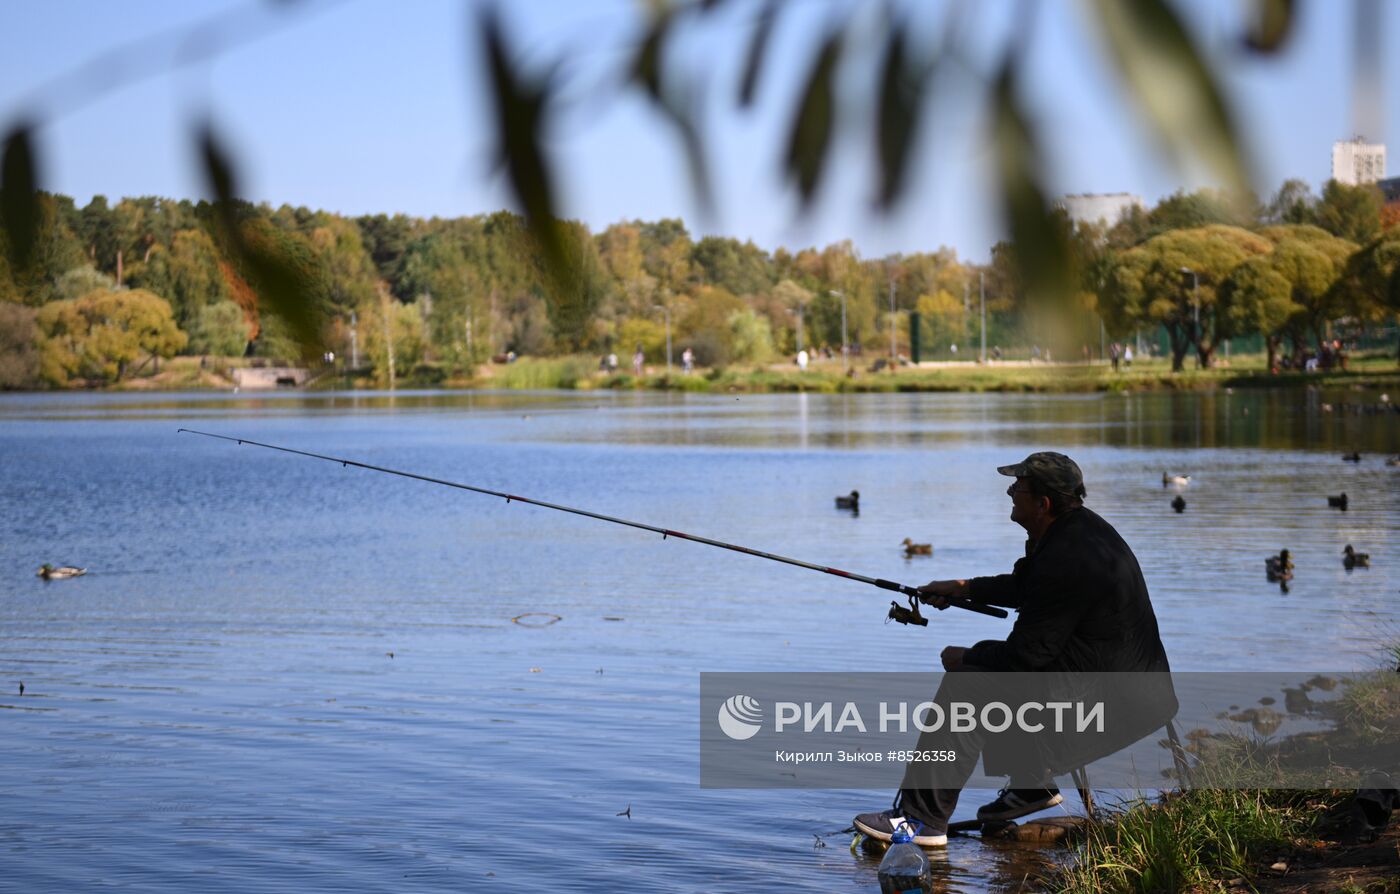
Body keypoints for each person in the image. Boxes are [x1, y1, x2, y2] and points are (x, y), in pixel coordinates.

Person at [853, 452, 1173, 847]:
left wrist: (963, 658)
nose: (1009, 490)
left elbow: (1027, 657)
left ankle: (919, 821)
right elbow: (1028, 587)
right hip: (1131, 688)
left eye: (1018, 486)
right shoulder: (1074, 532)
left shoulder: (1066, 556)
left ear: (1043, 503)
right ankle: (1030, 785)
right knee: (987, 659)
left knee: (968, 686)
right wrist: (963, 587)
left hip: (1114, 704)